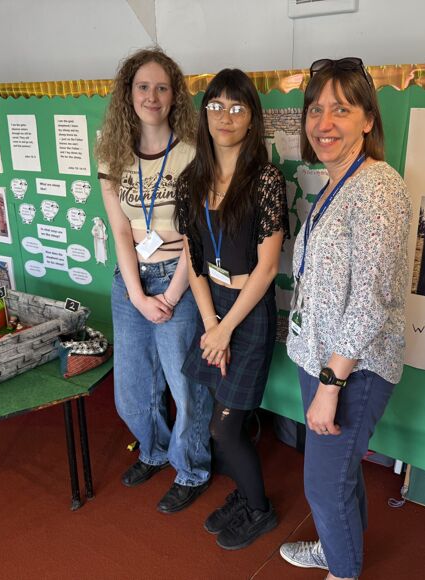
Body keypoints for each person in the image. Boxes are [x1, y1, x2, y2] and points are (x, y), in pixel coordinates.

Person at [280, 57, 411, 580]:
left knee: (323, 484)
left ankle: (343, 571)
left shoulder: (378, 187)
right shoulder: (336, 183)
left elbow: (371, 300)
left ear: (368, 120)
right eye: (315, 109)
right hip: (321, 358)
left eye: (341, 109)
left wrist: (331, 384)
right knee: (339, 477)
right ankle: (342, 554)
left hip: (352, 369)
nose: (324, 123)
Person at [175, 68, 289, 550]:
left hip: (248, 309)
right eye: (216, 105)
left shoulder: (265, 180)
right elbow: (193, 259)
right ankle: (245, 494)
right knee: (219, 417)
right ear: (204, 113)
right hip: (212, 306)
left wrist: (225, 330)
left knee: (224, 427)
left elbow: (267, 268)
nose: (225, 116)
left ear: (252, 118)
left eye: (237, 107)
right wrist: (209, 323)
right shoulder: (192, 179)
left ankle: (259, 510)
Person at [97, 47, 213, 514]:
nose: (152, 96)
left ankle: (192, 469)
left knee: (186, 388)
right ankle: (155, 449)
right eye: (143, 86)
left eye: (162, 87)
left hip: (179, 279)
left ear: (174, 96)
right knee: (131, 392)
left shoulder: (192, 152)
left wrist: (169, 294)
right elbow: (120, 229)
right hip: (131, 283)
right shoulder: (111, 151)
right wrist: (138, 296)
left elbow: (198, 233)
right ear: (128, 93)